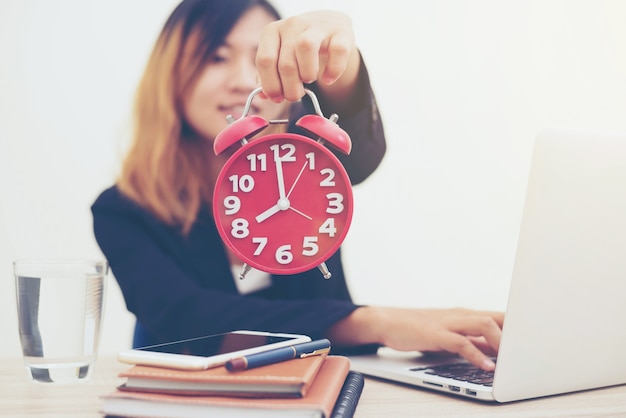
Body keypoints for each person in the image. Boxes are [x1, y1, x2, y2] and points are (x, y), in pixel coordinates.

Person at [92, 0, 503, 372]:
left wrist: (341, 61)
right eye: (216, 58)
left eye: (260, 61)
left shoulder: (306, 169)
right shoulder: (122, 211)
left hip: (321, 390)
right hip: (192, 400)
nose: (240, 80)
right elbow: (188, 317)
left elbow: (359, 154)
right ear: (172, 75)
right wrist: (376, 322)